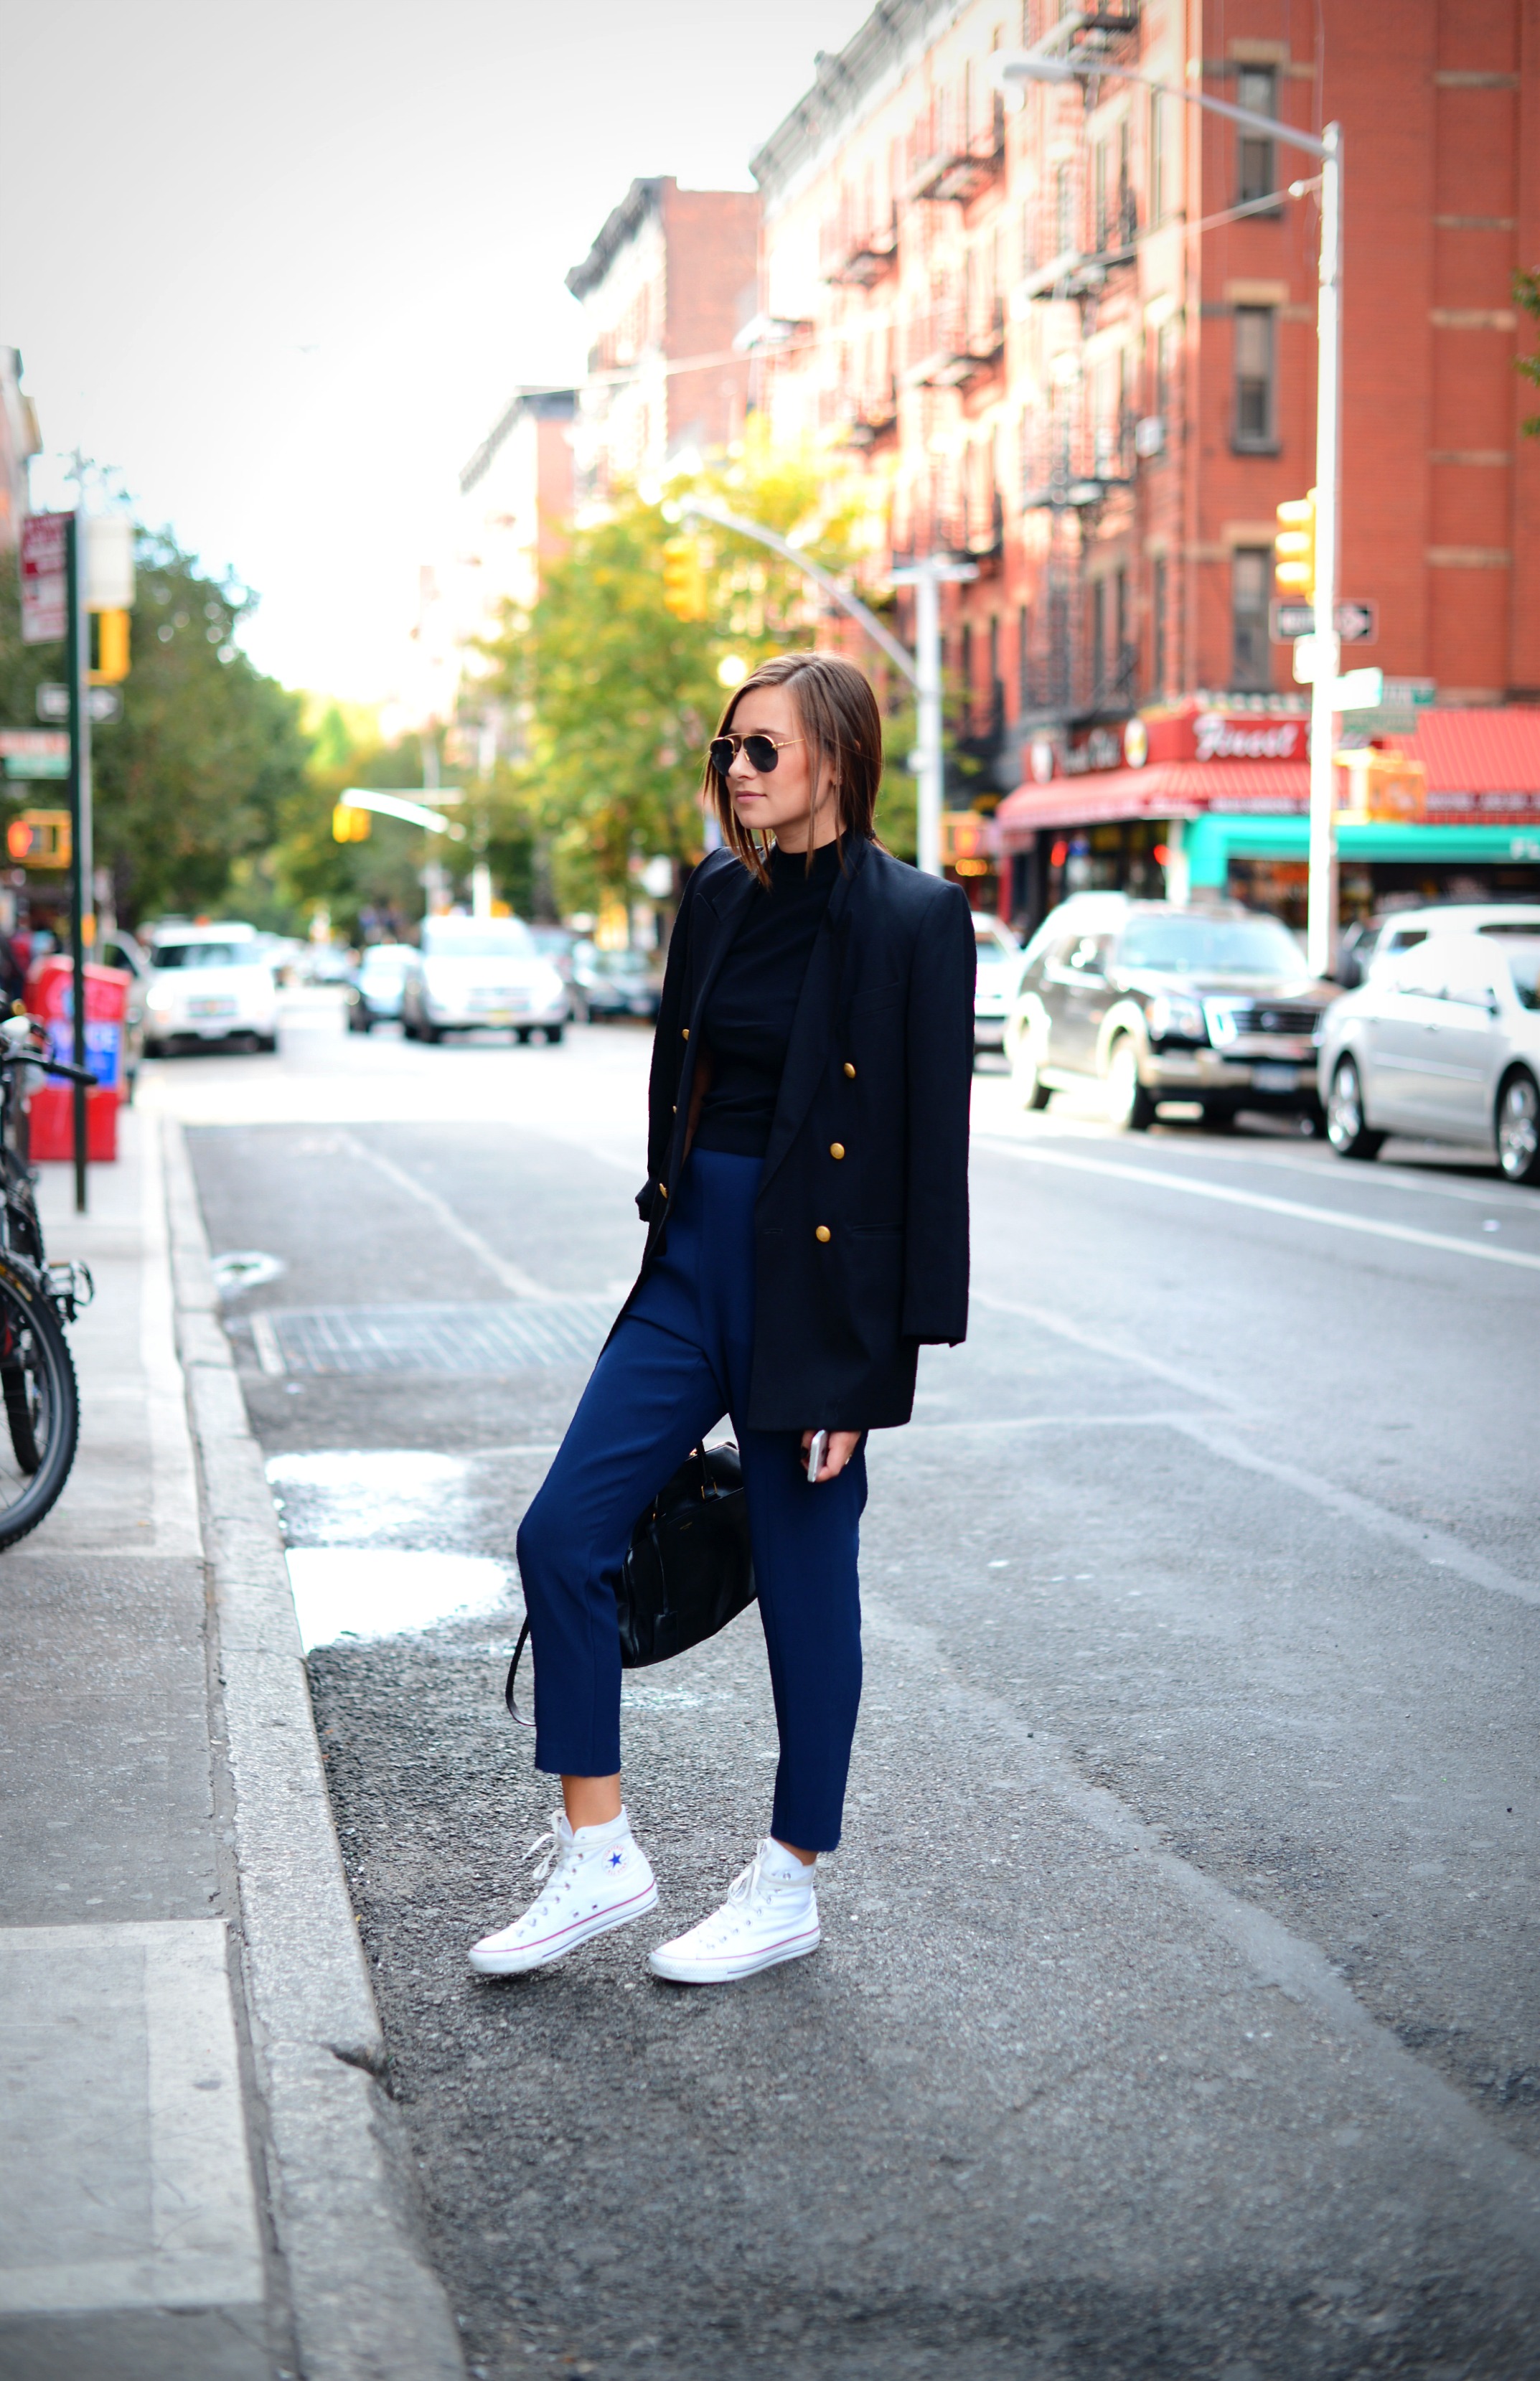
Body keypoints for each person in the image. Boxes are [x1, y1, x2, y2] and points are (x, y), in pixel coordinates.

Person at [469, 652, 975, 1986]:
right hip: (691, 1267)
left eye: (762, 751)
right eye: (727, 750)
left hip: (815, 1298)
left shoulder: (916, 919)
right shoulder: (712, 896)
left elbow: (932, 1164)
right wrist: (670, 1228)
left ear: (836, 759)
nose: (737, 773)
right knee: (562, 1532)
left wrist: (873, 1378)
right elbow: (672, 1082)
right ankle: (599, 1853)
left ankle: (788, 1875)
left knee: (810, 1593)